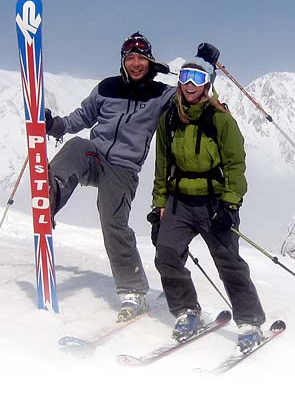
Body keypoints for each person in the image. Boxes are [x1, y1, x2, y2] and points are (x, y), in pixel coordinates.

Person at [45, 31, 176, 322]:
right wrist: (53, 124)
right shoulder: (107, 87)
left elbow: (192, 99)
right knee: (77, 145)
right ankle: (51, 193)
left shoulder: (161, 94)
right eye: (130, 57)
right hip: (96, 157)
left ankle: (134, 292)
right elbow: (80, 118)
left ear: (150, 61)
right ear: (123, 61)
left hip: (124, 170)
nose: (136, 63)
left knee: (112, 223)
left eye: (142, 57)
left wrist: (205, 73)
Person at [151, 46, 266, 352]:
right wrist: (158, 205)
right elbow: (162, 164)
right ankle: (187, 310)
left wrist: (231, 203)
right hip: (179, 200)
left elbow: (235, 164)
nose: (190, 84)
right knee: (166, 253)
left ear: (207, 83)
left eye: (197, 77)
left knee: (228, 261)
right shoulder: (170, 118)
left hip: (215, 202)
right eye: (186, 76)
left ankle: (250, 320)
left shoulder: (221, 120)